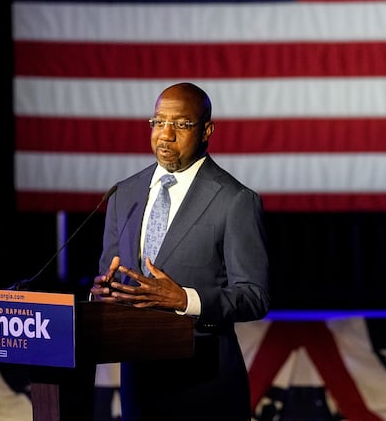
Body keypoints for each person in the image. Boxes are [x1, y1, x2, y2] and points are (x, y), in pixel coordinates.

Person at [90, 82, 270, 421]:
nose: (166, 134)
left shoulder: (235, 200)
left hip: (204, 385)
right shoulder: (122, 195)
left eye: (182, 124)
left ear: (207, 131)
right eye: (158, 122)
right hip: (139, 384)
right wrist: (102, 293)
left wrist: (185, 300)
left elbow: (255, 296)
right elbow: (108, 276)